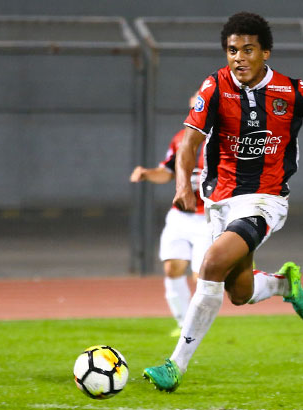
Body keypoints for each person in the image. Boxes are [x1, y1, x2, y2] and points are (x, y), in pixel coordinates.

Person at [143, 12, 303, 392]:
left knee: (211, 263)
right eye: (232, 50)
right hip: (220, 200)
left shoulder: (291, 90)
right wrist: (182, 183)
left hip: (265, 200)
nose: (239, 57)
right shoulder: (215, 86)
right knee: (238, 293)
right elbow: (189, 140)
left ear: (265, 52)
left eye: (248, 49)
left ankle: (174, 366)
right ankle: (284, 285)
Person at [130, 94, 212, 337]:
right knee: (172, 268)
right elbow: (166, 172)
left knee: (201, 277)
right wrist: (147, 173)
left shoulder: (225, 139)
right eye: (194, 108)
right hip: (181, 214)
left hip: (209, 217)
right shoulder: (181, 138)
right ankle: (184, 324)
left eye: (201, 108)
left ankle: (199, 323)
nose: (197, 113)